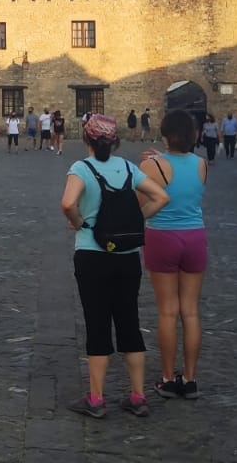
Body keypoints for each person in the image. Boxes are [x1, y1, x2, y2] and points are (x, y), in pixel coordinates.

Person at [60, 115, 168, 419]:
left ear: (87, 140)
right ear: (116, 141)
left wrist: (80, 223)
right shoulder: (127, 168)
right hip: (127, 256)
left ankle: (96, 398)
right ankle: (137, 396)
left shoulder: (81, 168)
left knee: (97, 324)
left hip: (93, 255)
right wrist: (138, 219)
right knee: (129, 321)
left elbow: (67, 203)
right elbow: (161, 196)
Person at [139, 110, 208, 400]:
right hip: (195, 236)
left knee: (168, 310)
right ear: (193, 135)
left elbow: (140, 202)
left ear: (165, 133)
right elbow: (186, 177)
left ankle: (168, 378)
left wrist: (155, 161)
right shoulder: (202, 164)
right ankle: (190, 378)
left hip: (162, 236)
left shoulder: (150, 166)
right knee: (190, 311)